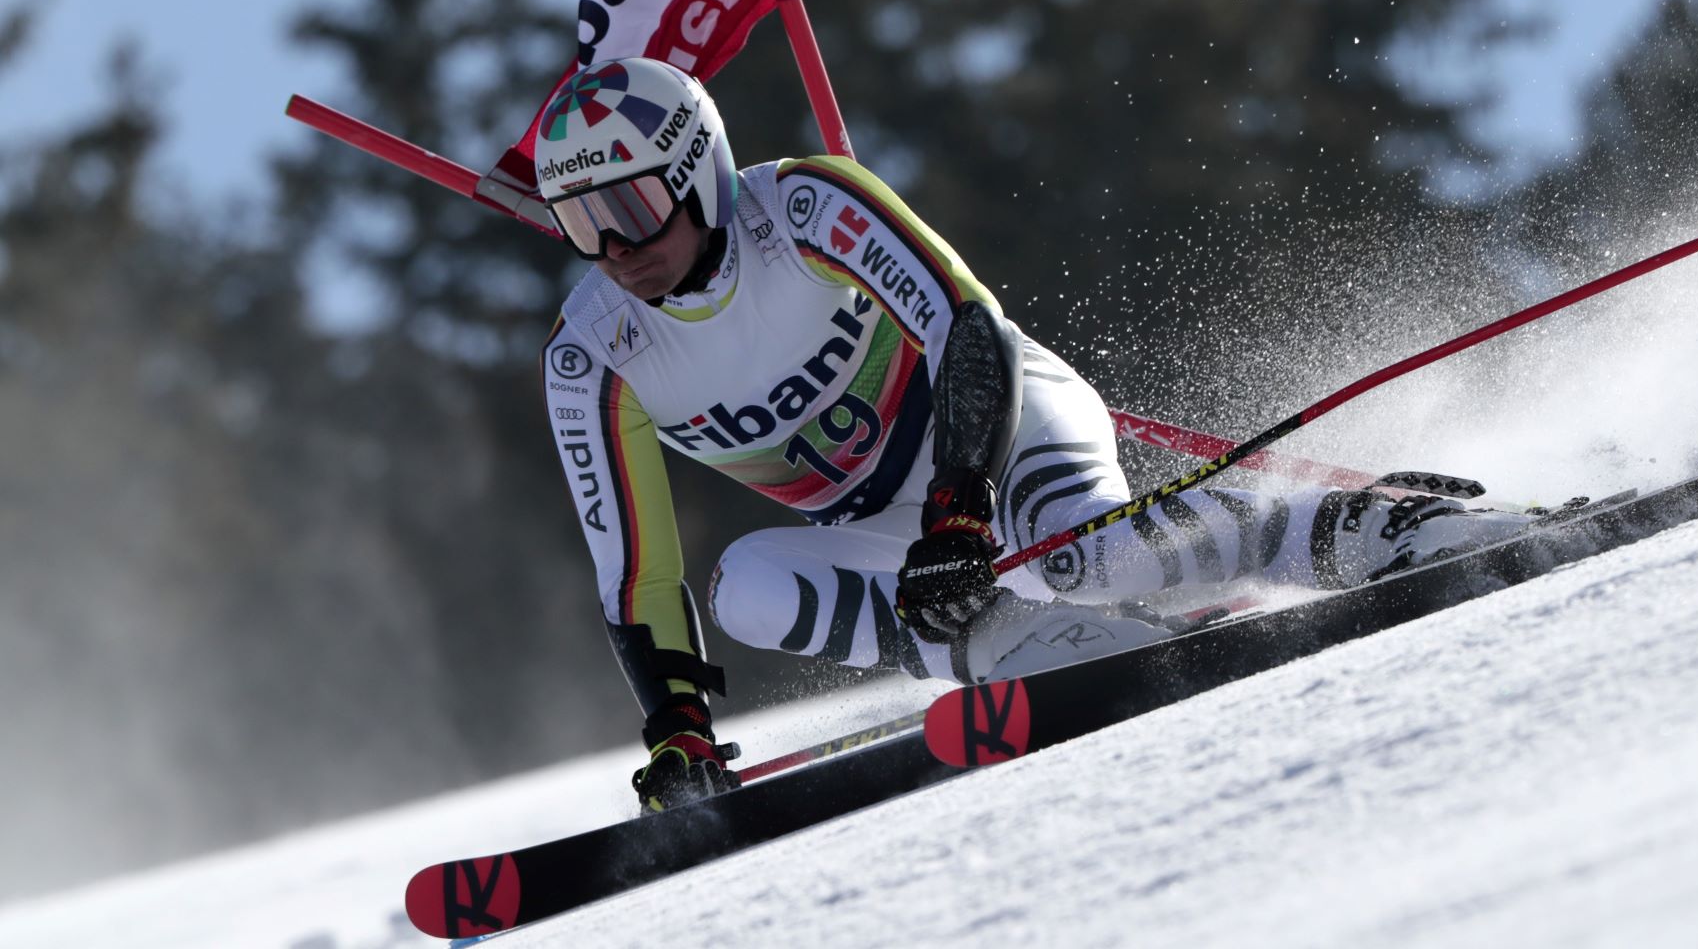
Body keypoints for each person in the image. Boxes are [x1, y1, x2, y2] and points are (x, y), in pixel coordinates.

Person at [536, 57, 1536, 812]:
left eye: (632, 206)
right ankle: (1024, 648)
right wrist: (680, 734)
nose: (617, 250)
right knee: (747, 587)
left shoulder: (802, 206)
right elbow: (638, 574)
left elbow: (965, 326)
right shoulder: (594, 354)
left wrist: (961, 508)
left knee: (1092, 554)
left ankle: (1369, 528)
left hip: (994, 436)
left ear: (698, 172)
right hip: (883, 524)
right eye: (582, 225)